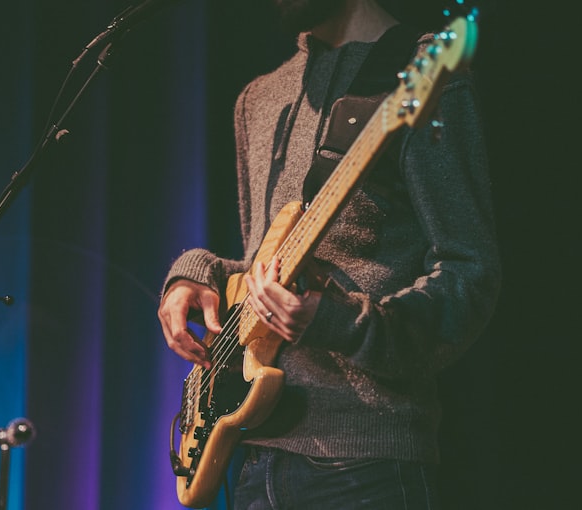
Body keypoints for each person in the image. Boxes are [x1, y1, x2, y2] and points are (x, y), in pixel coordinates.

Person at [157, 0, 501, 507]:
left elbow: (468, 277)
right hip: (253, 458)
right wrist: (196, 274)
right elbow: (262, 265)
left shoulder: (424, 75)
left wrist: (340, 323)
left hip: (364, 464)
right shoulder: (260, 97)